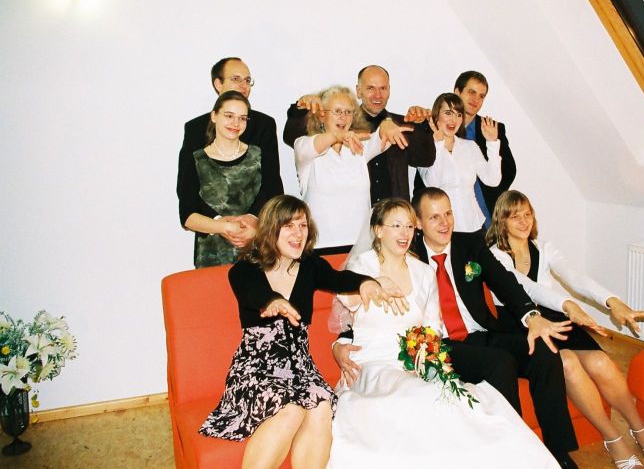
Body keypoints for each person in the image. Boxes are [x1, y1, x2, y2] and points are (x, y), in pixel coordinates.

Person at [334, 187, 581, 469]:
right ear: (420, 223)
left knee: (543, 351)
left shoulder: (469, 245)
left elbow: (506, 283)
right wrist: (340, 343)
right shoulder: (400, 254)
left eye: (448, 214)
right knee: (500, 363)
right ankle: (508, 451)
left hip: (479, 334)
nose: (444, 223)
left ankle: (558, 452)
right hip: (445, 345)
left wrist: (531, 315)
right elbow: (357, 310)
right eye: (434, 217)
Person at [199, 195, 404, 469]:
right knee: (291, 408)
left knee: (321, 406)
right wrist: (273, 301)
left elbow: (339, 279)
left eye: (303, 226)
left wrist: (366, 282)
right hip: (256, 369)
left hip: (300, 368)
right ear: (271, 229)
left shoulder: (310, 266)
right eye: (289, 226)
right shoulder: (245, 270)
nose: (298, 233)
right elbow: (253, 292)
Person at [486, 190, 644, 469]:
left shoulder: (543, 248)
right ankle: (612, 437)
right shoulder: (495, 256)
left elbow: (575, 277)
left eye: (527, 214)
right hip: (519, 322)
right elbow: (526, 288)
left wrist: (613, 301)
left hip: (553, 313)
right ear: (501, 221)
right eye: (515, 216)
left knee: (600, 362)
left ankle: (639, 427)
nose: (523, 221)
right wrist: (568, 304)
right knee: (568, 362)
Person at [283, 65, 435, 203]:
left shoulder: (401, 124)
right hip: (357, 215)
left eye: (383, 88)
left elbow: (426, 159)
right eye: (370, 88)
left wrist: (421, 125)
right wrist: (302, 108)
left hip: (394, 217)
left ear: (389, 90)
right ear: (359, 91)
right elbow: (292, 137)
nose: (377, 95)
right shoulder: (342, 124)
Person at [178, 57, 283, 250]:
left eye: (247, 80)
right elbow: (187, 191)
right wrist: (221, 223)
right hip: (211, 239)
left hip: (257, 235)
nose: (243, 85)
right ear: (218, 84)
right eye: (236, 79)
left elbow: (272, 182)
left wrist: (252, 220)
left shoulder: (264, 125)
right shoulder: (195, 128)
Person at [293, 86, 388, 254]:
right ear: (322, 116)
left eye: (348, 112)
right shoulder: (304, 145)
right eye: (337, 111)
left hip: (361, 249)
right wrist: (337, 136)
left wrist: (387, 124)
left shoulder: (359, 147)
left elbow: (384, 136)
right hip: (319, 249)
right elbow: (313, 145)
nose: (343, 117)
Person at [417, 93, 501, 233]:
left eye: (459, 114)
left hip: (475, 226)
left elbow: (493, 180)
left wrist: (492, 143)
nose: (454, 120)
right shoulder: (424, 148)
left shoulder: (470, 147)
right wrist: (438, 145)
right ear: (436, 116)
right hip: (443, 229)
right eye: (448, 113)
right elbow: (432, 184)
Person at [454, 71, 516, 225]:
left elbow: (508, 170)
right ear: (457, 92)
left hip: (486, 216)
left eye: (481, 96)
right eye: (471, 92)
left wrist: (492, 198)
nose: (476, 99)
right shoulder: (440, 125)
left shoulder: (493, 128)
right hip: (451, 217)